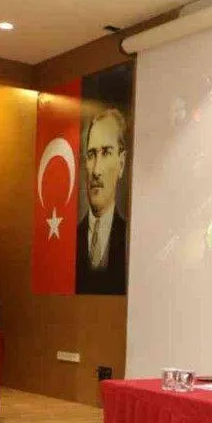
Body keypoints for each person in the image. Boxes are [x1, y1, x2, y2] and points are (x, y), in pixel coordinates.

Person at [76, 108, 129, 295]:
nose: (96, 170)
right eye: (91, 155)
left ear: (121, 163)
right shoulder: (71, 241)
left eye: (106, 152)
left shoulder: (129, 236)